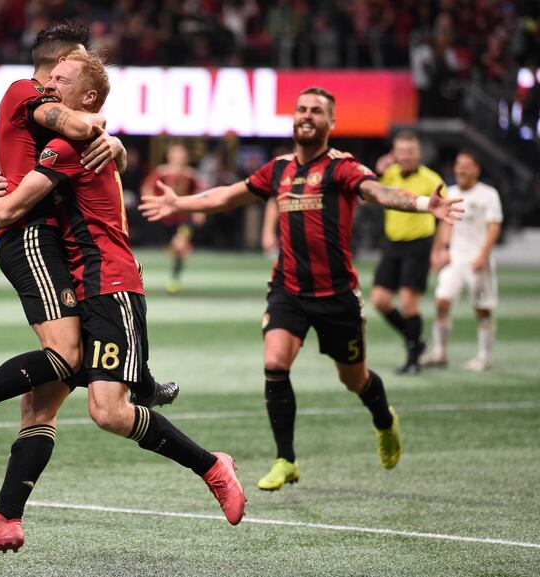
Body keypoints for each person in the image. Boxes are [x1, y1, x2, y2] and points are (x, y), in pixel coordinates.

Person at [0, 22, 176, 556]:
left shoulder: (49, 110)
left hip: (56, 242)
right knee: (65, 357)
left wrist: (116, 147)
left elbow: (81, 135)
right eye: (64, 69)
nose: (61, 81)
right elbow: (79, 124)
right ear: (54, 65)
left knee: (45, 402)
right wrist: (106, 129)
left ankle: (6, 517)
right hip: (32, 236)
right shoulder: (25, 93)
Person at [139, 86, 463, 492]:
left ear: (331, 122)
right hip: (288, 290)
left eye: (317, 111)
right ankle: (285, 459)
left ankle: (384, 421)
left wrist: (420, 205)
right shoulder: (278, 169)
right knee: (275, 363)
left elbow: (378, 192)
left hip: (336, 295)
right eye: (302, 109)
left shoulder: (341, 168)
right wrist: (180, 204)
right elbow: (228, 196)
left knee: (354, 378)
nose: (307, 115)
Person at [0, 52, 246, 538]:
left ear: (84, 98)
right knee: (37, 406)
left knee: (107, 411)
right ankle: (5, 519)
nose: (47, 88)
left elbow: (5, 214)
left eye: (58, 82)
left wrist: (2, 196)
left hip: (109, 285)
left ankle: (212, 466)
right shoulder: (75, 141)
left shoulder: (73, 144)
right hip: (79, 286)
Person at [371, 131, 446, 374]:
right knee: (380, 301)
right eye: (400, 152)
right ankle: (416, 339)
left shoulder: (431, 179)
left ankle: (413, 358)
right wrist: (378, 173)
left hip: (418, 245)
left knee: (408, 303)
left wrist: (440, 249)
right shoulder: (389, 174)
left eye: (409, 152)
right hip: (392, 245)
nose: (405, 156)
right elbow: (365, 199)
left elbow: (446, 218)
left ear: (419, 153)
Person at [422, 151, 502, 372]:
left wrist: (483, 255)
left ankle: (485, 357)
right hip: (454, 259)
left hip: (477, 260)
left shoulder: (488, 195)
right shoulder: (450, 192)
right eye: (458, 165)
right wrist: (438, 251)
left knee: (482, 309)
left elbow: (494, 227)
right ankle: (440, 353)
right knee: (441, 301)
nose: (461, 169)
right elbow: (445, 224)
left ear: (476, 169)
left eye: (467, 165)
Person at [141, 144, 204, 294]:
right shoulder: (161, 172)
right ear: (170, 157)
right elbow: (147, 187)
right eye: (176, 156)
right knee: (173, 248)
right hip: (166, 218)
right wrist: (152, 202)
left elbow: (201, 192)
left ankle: (175, 278)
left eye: (181, 156)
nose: (179, 159)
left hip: (184, 216)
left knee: (180, 245)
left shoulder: (191, 175)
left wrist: (199, 211)